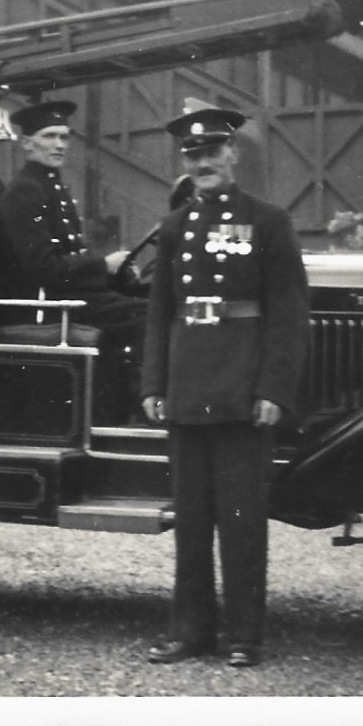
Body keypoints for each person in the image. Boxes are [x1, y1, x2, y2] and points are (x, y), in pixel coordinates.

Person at [140, 105, 310, 667]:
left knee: (241, 523)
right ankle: (191, 633)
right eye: (194, 155)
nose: (204, 162)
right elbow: (161, 312)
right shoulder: (173, 227)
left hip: (242, 390)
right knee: (190, 523)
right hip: (188, 388)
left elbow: (288, 315)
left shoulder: (268, 222)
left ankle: (243, 637)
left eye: (214, 152)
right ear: (183, 163)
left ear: (233, 154)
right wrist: (154, 384)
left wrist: (274, 391)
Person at [0, 100, 147, 415]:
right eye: (49, 136)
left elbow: (68, 258)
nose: (58, 144)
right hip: (41, 307)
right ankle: (142, 407)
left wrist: (115, 271)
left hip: (62, 296)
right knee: (148, 314)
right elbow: (43, 268)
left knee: (147, 298)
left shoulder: (51, 188)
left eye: (64, 136)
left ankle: (118, 406)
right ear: (27, 144)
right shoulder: (25, 193)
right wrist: (103, 265)